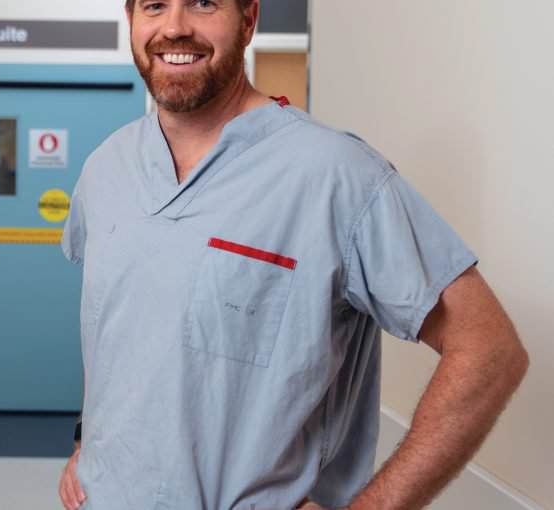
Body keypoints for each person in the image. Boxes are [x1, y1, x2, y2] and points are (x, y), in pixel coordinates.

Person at [56, 1, 529, 508]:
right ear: (133, 21)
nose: (174, 26)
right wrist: (89, 438)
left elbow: (490, 351)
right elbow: (115, 333)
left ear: (248, 19)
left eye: (203, 3)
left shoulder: (338, 177)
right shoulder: (106, 168)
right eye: (154, 5)